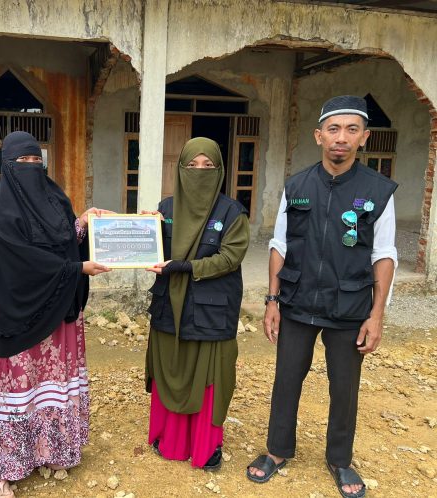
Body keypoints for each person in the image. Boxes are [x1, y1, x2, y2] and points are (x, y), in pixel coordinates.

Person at [246, 95, 397, 498]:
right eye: (333, 129)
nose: (341, 138)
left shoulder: (378, 191)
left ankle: (340, 459)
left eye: (351, 130)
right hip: (296, 304)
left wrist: (377, 314)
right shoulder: (296, 185)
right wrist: (273, 301)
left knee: (344, 387)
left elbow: (384, 254)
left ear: (364, 137)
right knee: (286, 379)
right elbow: (280, 243)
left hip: (349, 307)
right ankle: (277, 451)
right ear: (319, 136)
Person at [0, 131, 111, 498]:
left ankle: (50, 449)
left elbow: (64, 239)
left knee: (54, 385)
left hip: (60, 311)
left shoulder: (55, 198)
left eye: (36, 161)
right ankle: (0, 468)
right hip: (22, 313)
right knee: (18, 387)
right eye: (22, 163)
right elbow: (23, 261)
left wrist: (84, 223)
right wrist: (76, 269)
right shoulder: (3, 210)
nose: (31, 168)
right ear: (7, 167)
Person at [143, 137, 250, 471]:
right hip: (169, 308)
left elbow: (230, 257)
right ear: (180, 169)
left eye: (208, 165)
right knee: (170, 367)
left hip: (210, 310)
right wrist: (146, 229)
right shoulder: (167, 208)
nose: (200, 172)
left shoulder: (233, 212)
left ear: (219, 171)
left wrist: (187, 267)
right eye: (192, 165)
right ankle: (170, 439)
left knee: (208, 375)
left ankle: (206, 446)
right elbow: (154, 250)